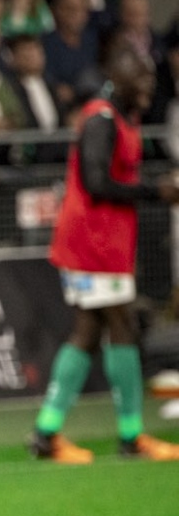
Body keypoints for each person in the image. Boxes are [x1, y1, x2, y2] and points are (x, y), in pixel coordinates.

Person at [29, 56, 179, 463]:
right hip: (92, 244)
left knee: (89, 330)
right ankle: (131, 436)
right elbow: (96, 183)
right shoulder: (101, 120)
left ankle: (46, 433)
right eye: (140, 75)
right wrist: (156, 192)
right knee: (121, 325)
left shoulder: (119, 117)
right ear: (117, 76)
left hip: (104, 243)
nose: (148, 83)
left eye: (150, 76)